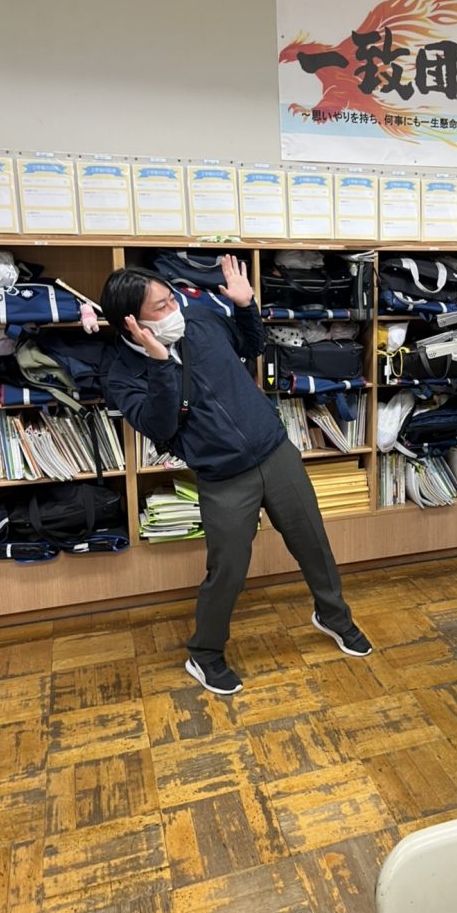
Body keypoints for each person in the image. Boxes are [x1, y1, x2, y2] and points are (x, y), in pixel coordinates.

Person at [100, 257, 372, 696]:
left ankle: (334, 617)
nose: (174, 310)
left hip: (274, 450)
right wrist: (160, 363)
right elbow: (159, 426)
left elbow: (251, 344)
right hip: (223, 474)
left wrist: (246, 306)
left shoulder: (199, 319)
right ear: (130, 321)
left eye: (171, 299)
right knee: (227, 570)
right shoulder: (121, 373)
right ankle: (205, 654)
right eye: (161, 307)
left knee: (313, 544)